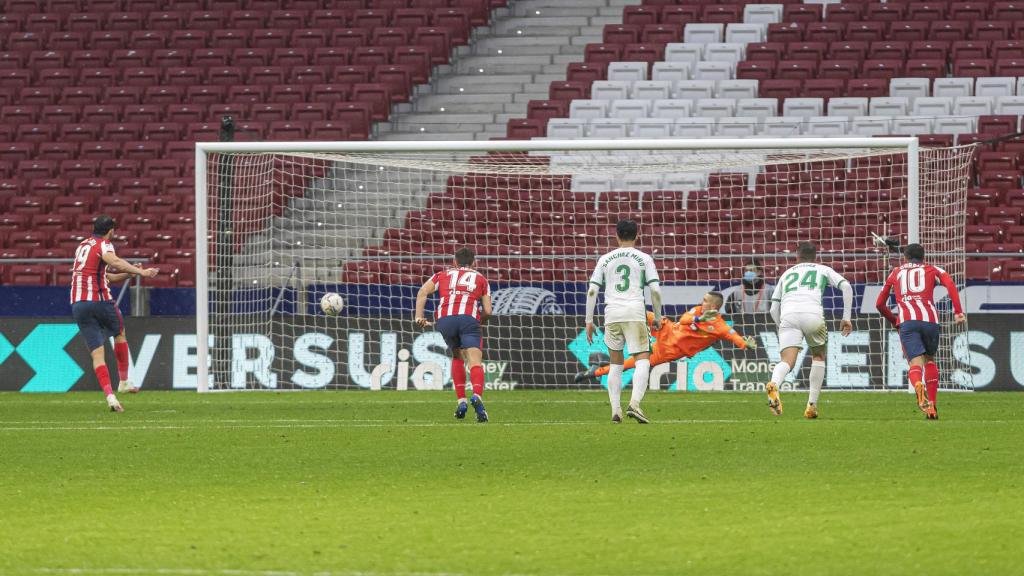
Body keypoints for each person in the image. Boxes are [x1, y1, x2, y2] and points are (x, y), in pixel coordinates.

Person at [70, 215, 159, 412]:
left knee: (97, 354)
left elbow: (105, 275)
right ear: (111, 230)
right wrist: (142, 273)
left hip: (78, 304)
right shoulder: (105, 244)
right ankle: (124, 381)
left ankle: (110, 397)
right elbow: (115, 261)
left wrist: (130, 272)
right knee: (119, 333)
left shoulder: (82, 246)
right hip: (100, 301)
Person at [576, 291, 757, 382]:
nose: (702, 302)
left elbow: (733, 336)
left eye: (705, 301)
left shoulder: (719, 326)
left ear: (713, 306)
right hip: (668, 328)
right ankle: (616, 313)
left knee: (636, 362)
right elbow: (684, 319)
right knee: (641, 313)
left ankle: (596, 371)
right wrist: (699, 317)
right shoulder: (699, 311)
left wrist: (744, 344)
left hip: (671, 349)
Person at [875, 243, 966, 420]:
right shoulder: (933, 269)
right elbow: (950, 284)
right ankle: (932, 405)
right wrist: (958, 311)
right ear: (923, 257)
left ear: (905, 257)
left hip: (908, 321)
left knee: (915, 364)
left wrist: (895, 321)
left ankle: (918, 384)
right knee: (930, 360)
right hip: (930, 320)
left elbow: (879, 304)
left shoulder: (896, 272)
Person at [584, 219, 662, 424]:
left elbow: (592, 290)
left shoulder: (605, 259)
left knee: (615, 364)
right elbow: (655, 290)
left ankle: (615, 411)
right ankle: (635, 404)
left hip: (612, 314)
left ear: (616, 236)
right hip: (635, 312)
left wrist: (589, 321)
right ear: (637, 235)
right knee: (643, 360)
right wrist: (658, 316)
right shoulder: (645, 258)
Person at [766, 242, 854, 419]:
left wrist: (781, 325)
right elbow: (846, 286)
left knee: (787, 361)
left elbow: (773, 309)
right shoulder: (822, 269)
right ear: (815, 257)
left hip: (788, 316)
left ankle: (774, 383)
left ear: (796, 257)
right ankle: (811, 406)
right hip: (813, 314)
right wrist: (846, 317)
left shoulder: (787, 273)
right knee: (819, 357)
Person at [414, 247, 493, 422]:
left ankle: (461, 401)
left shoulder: (442, 274)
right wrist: (481, 321)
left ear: (454, 262)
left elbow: (422, 292)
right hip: (468, 318)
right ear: (474, 263)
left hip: (445, 319)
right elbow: (488, 310)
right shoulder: (481, 278)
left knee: (457, 356)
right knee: (474, 361)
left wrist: (419, 317)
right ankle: (477, 396)